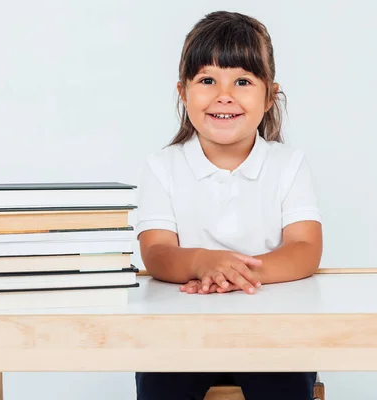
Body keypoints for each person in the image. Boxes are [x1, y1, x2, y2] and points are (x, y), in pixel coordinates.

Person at [135, 10, 323, 400]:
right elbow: (156, 251)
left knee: (285, 386)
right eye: (207, 80)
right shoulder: (162, 166)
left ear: (270, 96)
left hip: (271, 328)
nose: (225, 95)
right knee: (160, 384)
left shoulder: (288, 165)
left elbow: (305, 249)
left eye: (242, 81)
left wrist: (237, 274)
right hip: (180, 330)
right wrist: (204, 262)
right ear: (183, 93)